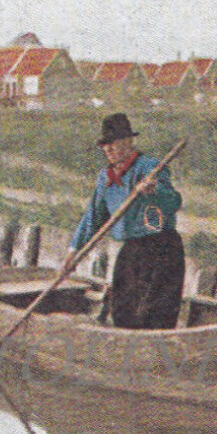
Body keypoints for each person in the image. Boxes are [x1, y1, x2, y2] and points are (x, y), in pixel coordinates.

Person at [67, 113, 185, 329]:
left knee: (156, 314)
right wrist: (73, 251)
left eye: (114, 143)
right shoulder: (105, 177)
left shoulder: (150, 168)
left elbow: (173, 202)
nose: (108, 149)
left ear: (129, 142)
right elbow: (92, 216)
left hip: (162, 249)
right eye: (105, 144)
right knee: (122, 309)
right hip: (132, 249)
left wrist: (153, 191)